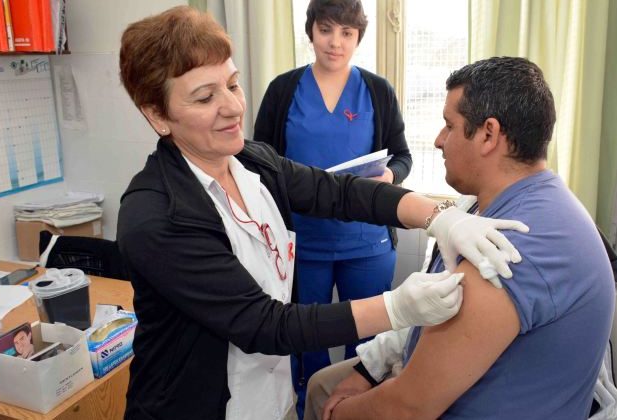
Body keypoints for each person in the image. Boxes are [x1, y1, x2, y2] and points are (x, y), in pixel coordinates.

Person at [117, 8, 528, 420]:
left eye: (233, 84)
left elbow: (338, 192)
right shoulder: (156, 215)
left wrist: (440, 216)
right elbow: (265, 325)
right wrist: (397, 308)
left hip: (270, 401)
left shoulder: (252, 163)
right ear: (157, 115)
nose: (232, 107)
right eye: (205, 97)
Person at [310, 57, 616, 420]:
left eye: (449, 126)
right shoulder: (492, 206)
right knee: (320, 385)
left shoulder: (512, 247)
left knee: (325, 403)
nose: (439, 141)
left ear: (488, 134)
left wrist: (340, 415)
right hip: (443, 382)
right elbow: (431, 318)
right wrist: (366, 370)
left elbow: (409, 407)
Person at [253, 1, 410, 412]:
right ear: (310, 32)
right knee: (307, 342)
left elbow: (402, 156)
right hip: (303, 246)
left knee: (371, 346)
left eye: (346, 33)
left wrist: (391, 176)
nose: (335, 42)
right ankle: (311, 407)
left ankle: (364, 411)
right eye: (326, 30)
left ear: (358, 38)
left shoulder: (377, 90)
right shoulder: (283, 90)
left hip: (368, 244)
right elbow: (259, 163)